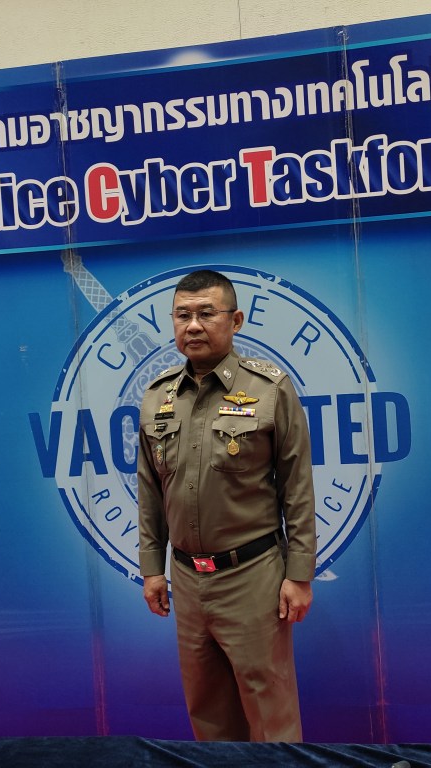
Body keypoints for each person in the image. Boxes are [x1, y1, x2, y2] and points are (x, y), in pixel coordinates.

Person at [136, 269, 317, 742]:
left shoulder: (269, 389)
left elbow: (297, 487)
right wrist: (152, 569)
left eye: (206, 314)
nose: (193, 325)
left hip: (252, 575)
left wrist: (299, 575)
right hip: (187, 579)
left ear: (235, 321)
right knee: (208, 713)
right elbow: (150, 490)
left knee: (270, 714)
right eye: (182, 315)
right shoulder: (156, 397)